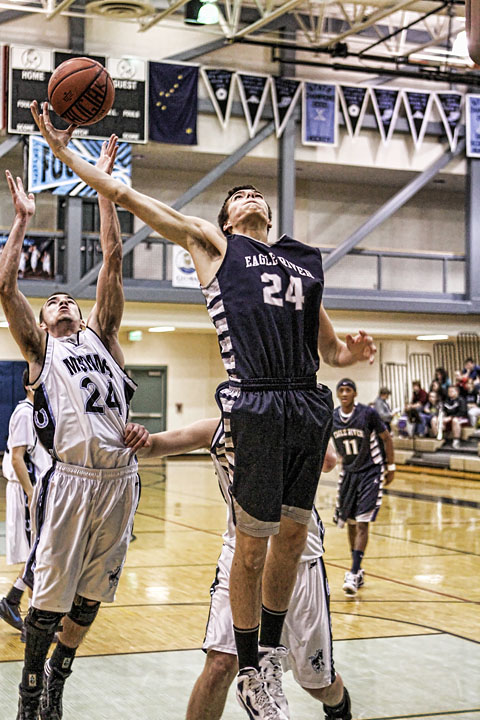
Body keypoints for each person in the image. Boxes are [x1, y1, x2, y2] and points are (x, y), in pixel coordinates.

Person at [31, 102, 376, 720]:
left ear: (270, 215)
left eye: (257, 193)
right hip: (256, 395)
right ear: (223, 219)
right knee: (252, 546)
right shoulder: (211, 244)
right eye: (238, 194)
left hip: (305, 398)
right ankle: (249, 664)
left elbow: (327, 348)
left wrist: (348, 352)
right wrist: (63, 153)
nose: (251, 196)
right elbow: (124, 193)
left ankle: (266, 662)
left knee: (292, 539)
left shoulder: (302, 261)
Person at [0, 138, 149, 720]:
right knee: (47, 601)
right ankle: (29, 692)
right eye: (53, 302)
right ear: (43, 321)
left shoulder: (103, 338)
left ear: (83, 313)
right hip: (71, 482)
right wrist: (21, 223)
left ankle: (59, 680)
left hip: (122, 480)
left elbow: (112, 259)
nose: (62, 302)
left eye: (69, 300)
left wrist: (108, 192)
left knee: (90, 598)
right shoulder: (41, 351)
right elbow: (6, 287)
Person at [124, 405, 352, 720]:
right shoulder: (215, 428)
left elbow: (328, 461)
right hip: (240, 553)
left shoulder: (296, 412)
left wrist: (298, 414)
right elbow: (155, 446)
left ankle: (339, 708)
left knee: (316, 684)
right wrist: (137, 435)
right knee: (220, 664)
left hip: (299, 560)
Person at [331, 379, 395, 596]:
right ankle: (356, 567)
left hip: (371, 471)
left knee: (362, 522)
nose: (345, 393)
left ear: (355, 394)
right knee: (349, 522)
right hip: (348, 474)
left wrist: (391, 466)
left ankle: (354, 570)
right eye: (341, 390)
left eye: (348, 390)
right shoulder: (333, 418)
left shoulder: (367, 413)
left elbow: (387, 438)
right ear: (338, 394)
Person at [0, 368, 51, 636]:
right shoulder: (24, 413)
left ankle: (14, 601)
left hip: (37, 489)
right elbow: (18, 457)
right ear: (30, 387)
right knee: (38, 553)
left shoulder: (40, 414)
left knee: (41, 553)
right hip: (26, 489)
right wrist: (32, 493)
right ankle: (30, 621)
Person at [431, 385, 468, 449]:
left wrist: (451, 417)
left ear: (457, 392)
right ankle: (438, 438)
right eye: (449, 391)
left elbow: (463, 412)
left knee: (455, 420)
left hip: (462, 419)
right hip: (448, 418)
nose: (449, 392)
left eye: (451, 391)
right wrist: (441, 418)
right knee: (434, 419)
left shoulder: (461, 400)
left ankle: (456, 440)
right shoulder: (446, 400)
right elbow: (442, 411)